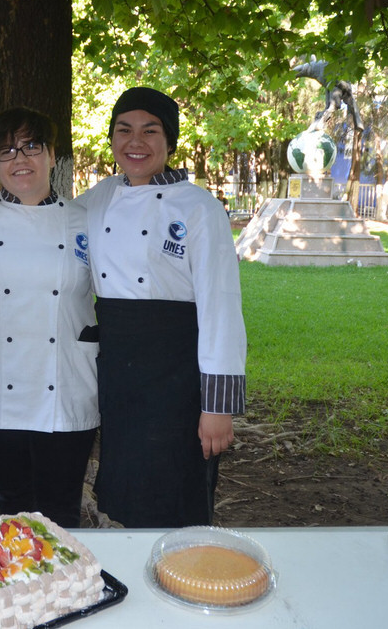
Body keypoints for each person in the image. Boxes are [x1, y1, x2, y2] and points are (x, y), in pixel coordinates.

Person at [81, 87, 247, 528]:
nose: (135, 142)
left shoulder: (199, 207)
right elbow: (43, 221)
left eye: (149, 131)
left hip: (178, 377)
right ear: (112, 139)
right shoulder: (96, 199)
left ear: (169, 142)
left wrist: (218, 406)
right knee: (121, 486)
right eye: (124, 130)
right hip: (118, 373)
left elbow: (221, 306)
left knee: (178, 488)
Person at [0, 108, 98, 528]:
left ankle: (69, 591)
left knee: (63, 510)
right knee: (12, 507)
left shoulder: (85, 219)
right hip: (0, 387)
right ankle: (17, 591)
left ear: (53, 155)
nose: (20, 159)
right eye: (6, 151)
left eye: (32, 147)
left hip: (68, 386)